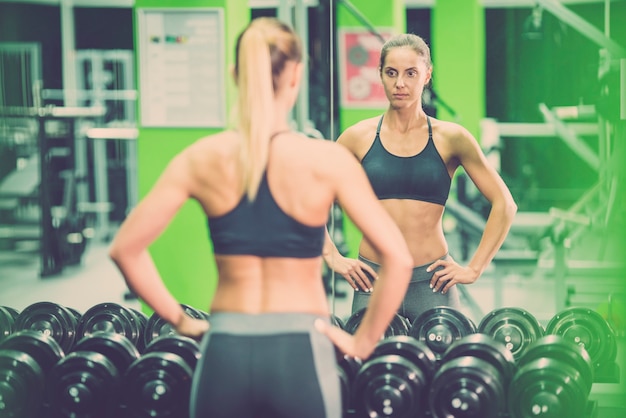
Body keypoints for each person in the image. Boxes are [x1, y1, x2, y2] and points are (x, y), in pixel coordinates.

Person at [108, 17, 413, 418]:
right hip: (300, 350)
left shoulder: (202, 158)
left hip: (226, 347)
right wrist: (362, 342)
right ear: (296, 76)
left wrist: (179, 320)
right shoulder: (325, 160)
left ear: (236, 75)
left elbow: (125, 249)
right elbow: (399, 259)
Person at [323, 33, 517, 325]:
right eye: (391, 73)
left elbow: (504, 204)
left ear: (427, 75)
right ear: (381, 76)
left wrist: (474, 269)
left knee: (442, 368)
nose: (400, 83)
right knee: (369, 368)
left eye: (410, 73)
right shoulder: (357, 138)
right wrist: (332, 256)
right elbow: (308, 198)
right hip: (373, 280)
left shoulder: (451, 138)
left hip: (432, 283)